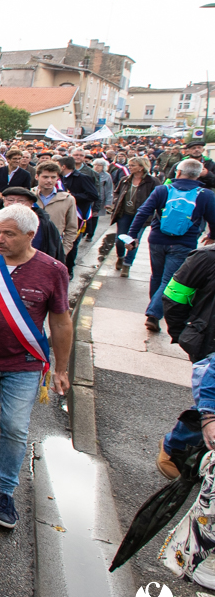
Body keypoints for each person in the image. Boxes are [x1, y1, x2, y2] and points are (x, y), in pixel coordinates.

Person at [0, 206, 72, 530]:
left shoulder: (53, 270)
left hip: (24, 364)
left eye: (9, 234)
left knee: (15, 425)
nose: (1, 239)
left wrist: (61, 369)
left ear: (30, 235)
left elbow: (61, 322)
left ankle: (5, 489)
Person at [126, 159, 215, 333]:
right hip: (185, 242)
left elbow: (143, 212)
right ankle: (154, 313)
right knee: (169, 279)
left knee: (157, 276)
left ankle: (154, 309)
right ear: (198, 175)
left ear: (178, 172)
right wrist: (212, 235)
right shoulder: (205, 194)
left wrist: (132, 236)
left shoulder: (162, 190)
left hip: (158, 239)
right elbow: (213, 218)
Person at [159, 244, 215, 477]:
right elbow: (173, 297)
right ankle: (173, 449)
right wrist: (185, 333)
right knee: (208, 400)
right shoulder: (206, 258)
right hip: (208, 344)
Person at [0, 187, 65, 264]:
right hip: (1, 271)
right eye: (10, 200)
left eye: (21, 201)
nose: (15, 204)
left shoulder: (45, 224)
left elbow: (56, 251)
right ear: (4, 202)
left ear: (31, 204)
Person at [109, 156, 156, 277]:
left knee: (133, 241)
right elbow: (116, 192)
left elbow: (158, 197)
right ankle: (120, 257)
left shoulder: (152, 181)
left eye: (132, 165)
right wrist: (115, 200)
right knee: (120, 240)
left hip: (141, 216)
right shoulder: (125, 179)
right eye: (129, 165)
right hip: (124, 214)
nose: (129, 168)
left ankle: (127, 264)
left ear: (141, 167)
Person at [57, 156, 98, 273]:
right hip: (61, 213)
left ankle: (69, 269)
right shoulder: (59, 178)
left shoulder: (82, 178)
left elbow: (93, 195)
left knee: (71, 242)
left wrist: (72, 196)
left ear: (63, 166)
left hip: (77, 215)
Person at [86, 158, 114, 242]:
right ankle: (84, 231)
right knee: (86, 216)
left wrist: (108, 202)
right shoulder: (89, 173)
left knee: (94, 217)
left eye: (99, 165)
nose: (97, 167)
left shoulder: (107, 176)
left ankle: (90, 234)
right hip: (89, 197)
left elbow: (109, 189)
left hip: (99, 199)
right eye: (95, 165)